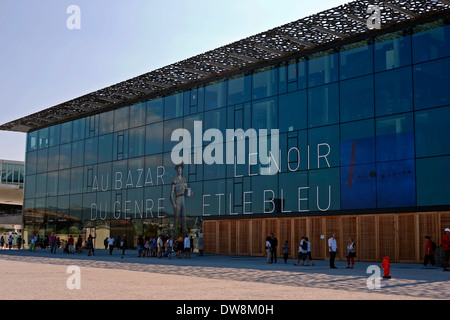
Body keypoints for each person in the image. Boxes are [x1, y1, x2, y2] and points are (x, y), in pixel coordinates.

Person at [170, 163, 193, 238]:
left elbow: (186, 190)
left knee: (184, 219)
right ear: (177, 170)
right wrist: (174, 204)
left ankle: (184, 237)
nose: (179, 170)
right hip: (178, 198)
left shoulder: (184, 179)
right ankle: (174, 237)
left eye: (181, 169)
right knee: (176, 219)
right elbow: (171, 193)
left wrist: (190, 193)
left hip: (183, 199)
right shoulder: (175, 180)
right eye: (178, 169)